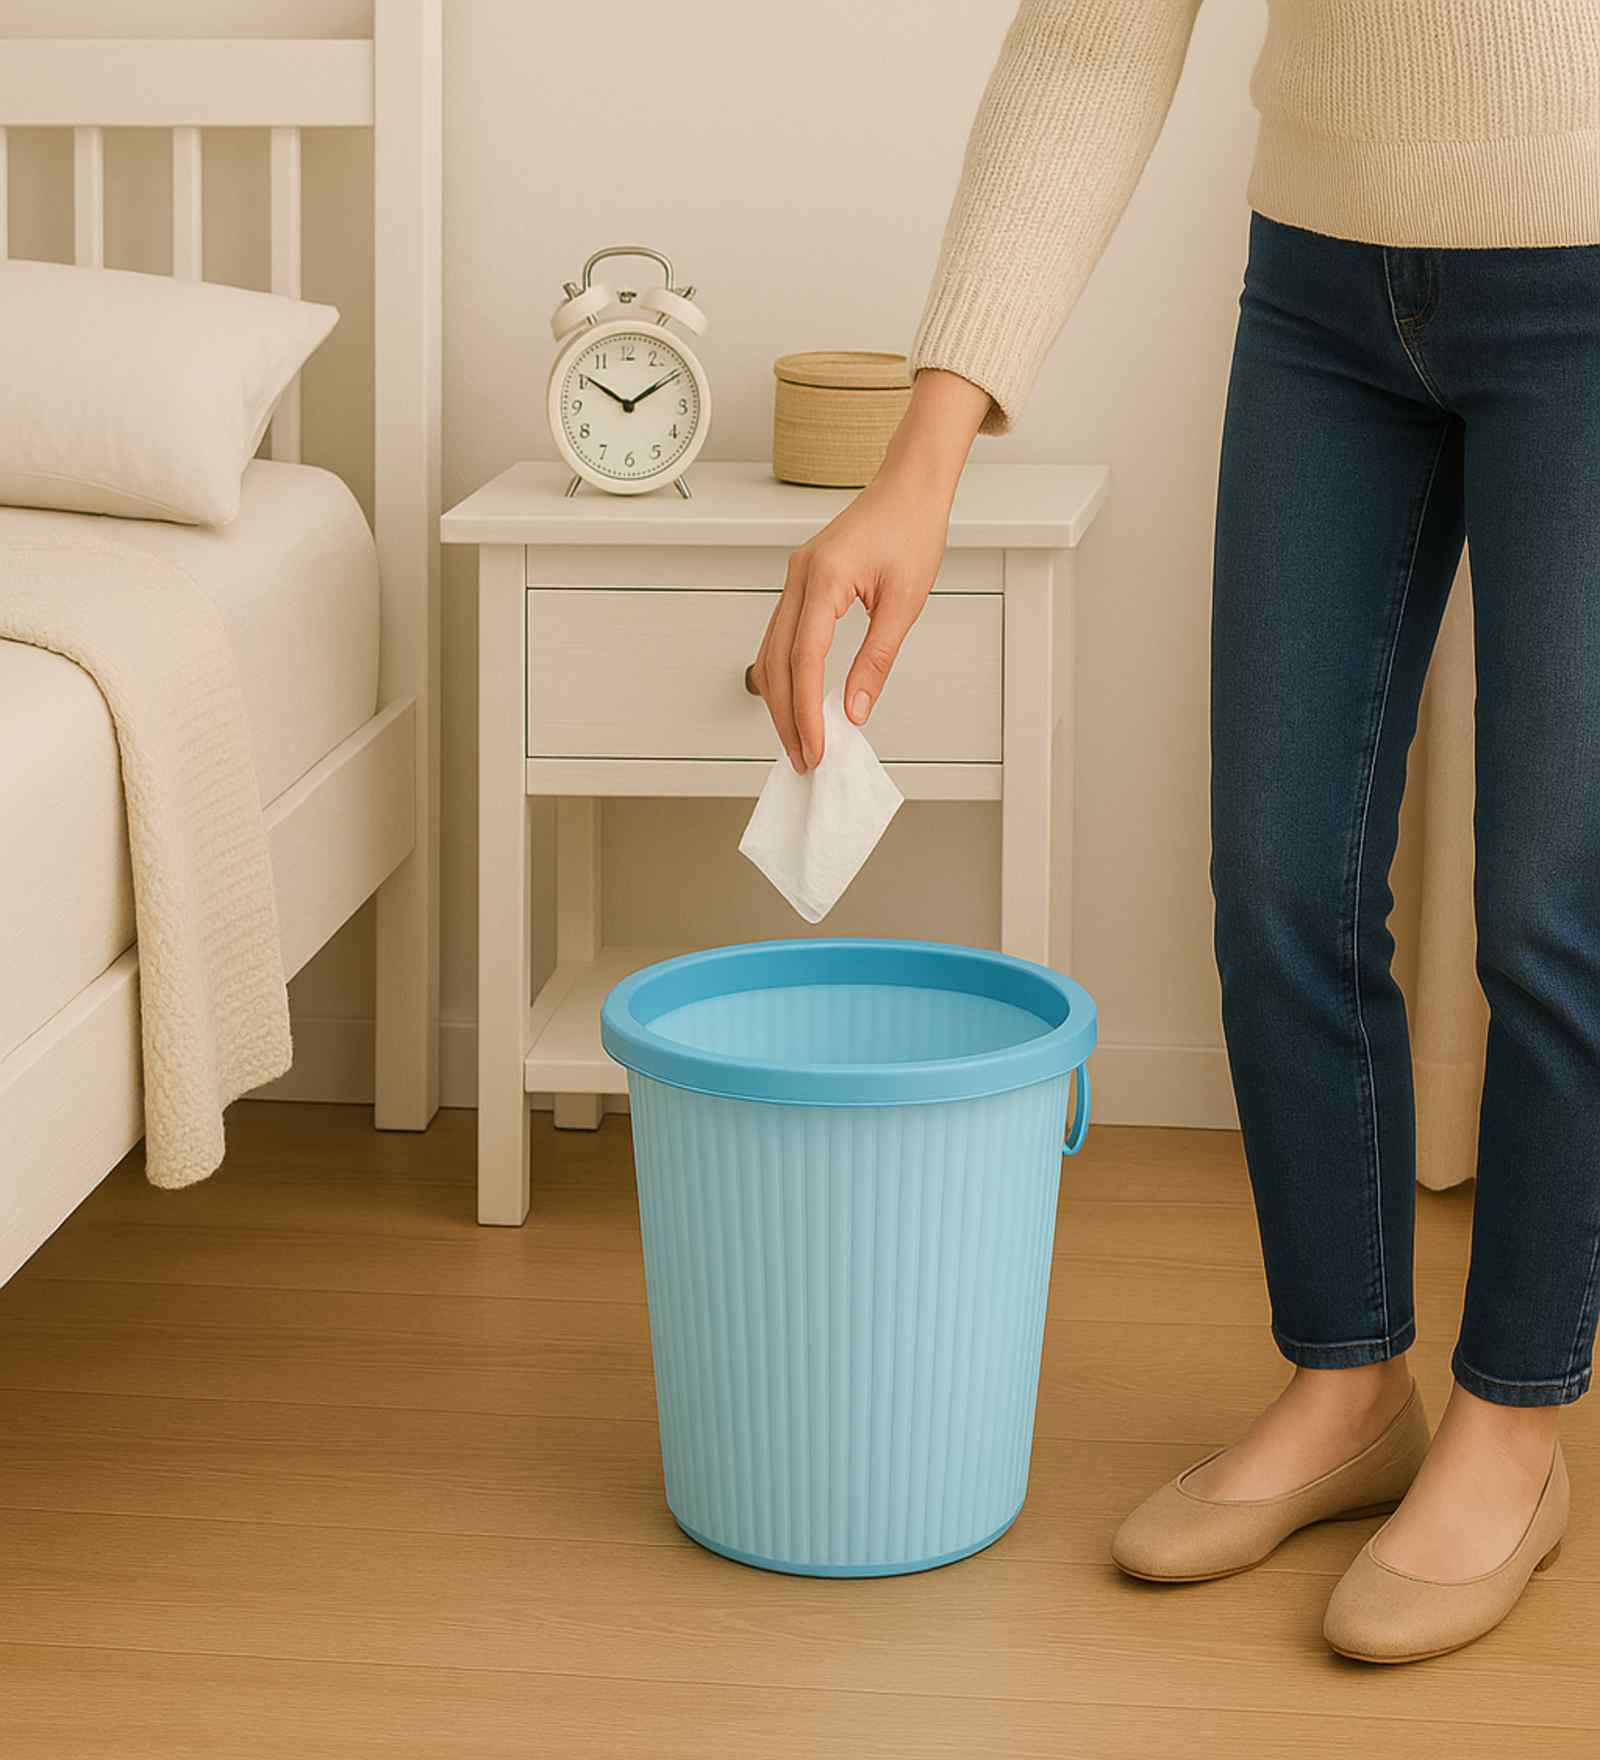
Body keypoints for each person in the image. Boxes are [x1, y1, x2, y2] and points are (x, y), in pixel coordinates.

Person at [749, 0, 1600, 1663]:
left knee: (1554, 912)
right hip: (1325, 295)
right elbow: (1089, 42)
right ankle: (1350, 1381)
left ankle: (1514, 1420)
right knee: (1281, 877)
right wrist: (922, 464)